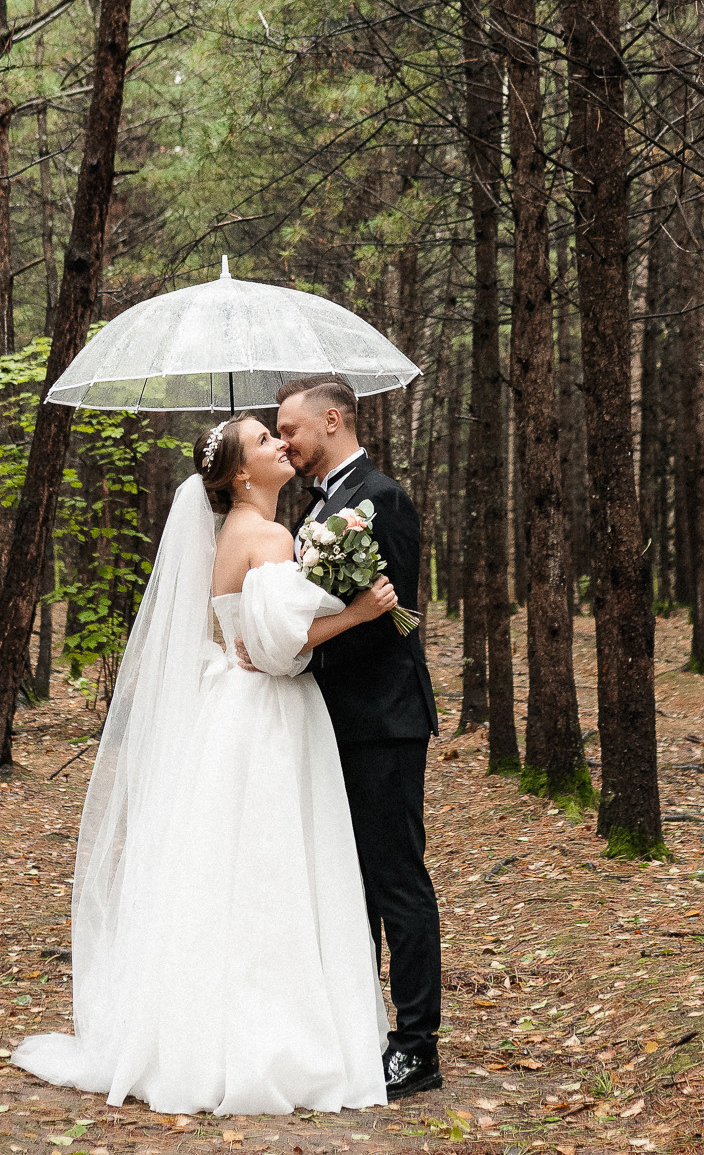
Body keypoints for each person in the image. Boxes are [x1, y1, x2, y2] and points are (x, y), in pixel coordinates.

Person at [12, 414, 398, 1117]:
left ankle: (208, 1031)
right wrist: (361, 612)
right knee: (274, 867)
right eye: (264, 441)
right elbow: (283, 650)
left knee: (231, 871)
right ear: (243, 475)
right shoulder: (271, 535)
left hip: (234, 712)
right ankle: (277, 1039)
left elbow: (242, 633)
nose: (283, 444)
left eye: (279, 434)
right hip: (270, 716)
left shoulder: (228, 536)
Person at [267, 375, 443, 1100]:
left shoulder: (383, 498)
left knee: (396, 882)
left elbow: (390, 614)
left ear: (331, 420)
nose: (284, 443)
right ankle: (359, 1028)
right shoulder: (316, 507)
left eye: (292, 429)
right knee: (349, 885)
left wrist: (307, 650)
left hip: (382, 721)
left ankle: (417, 1047)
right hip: (329, 723)